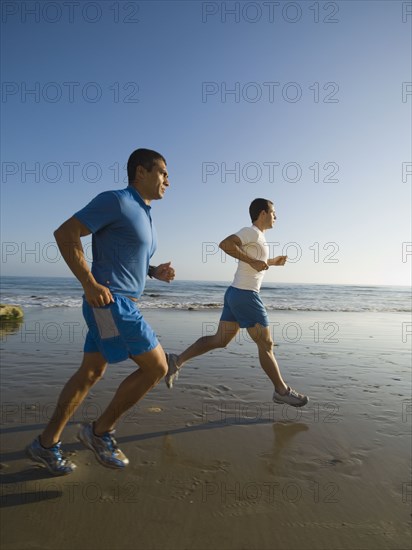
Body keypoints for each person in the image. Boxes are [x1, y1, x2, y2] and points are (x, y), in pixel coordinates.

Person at [26, 148, 175, 476]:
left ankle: (46, 443)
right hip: (112, 303)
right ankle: (100, 432)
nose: (168, 179)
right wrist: (89, 283)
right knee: (157, 368)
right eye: (163, 172)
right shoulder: (117, 200)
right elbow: (65, 233)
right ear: (140, 172)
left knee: (91, 373)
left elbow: (124, 254)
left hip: (111, 305)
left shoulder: (144, 213)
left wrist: (153, 272)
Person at [165, 198, 308, 408]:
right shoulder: (251, 232)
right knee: (266, 344)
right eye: (273, 212)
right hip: (245, 295)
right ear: (262, 214)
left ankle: (176, 361)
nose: (276, 217)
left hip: (235, 293)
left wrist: (271, 262)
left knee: (220, 340)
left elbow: (253, 262)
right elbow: (225, 244)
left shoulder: (259, 238)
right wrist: (254, 261)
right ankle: (281, 391)